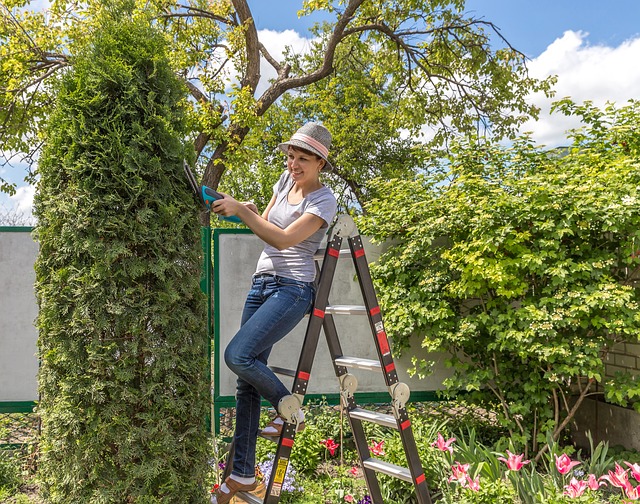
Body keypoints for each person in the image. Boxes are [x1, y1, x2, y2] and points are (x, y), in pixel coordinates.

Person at [209, 122, 338, 504]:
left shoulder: (324, 201)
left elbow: (283, 238)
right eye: (290, 156)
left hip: (293, 288)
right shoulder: (283, 182)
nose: (293, 164)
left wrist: (243, 213)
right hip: (262, 282)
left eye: (302, 158)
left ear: (320, 163)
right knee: (245, 382)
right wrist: (238, 209)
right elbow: (264, 225)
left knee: (238, 355)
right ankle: (244, 476)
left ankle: (286, 406)